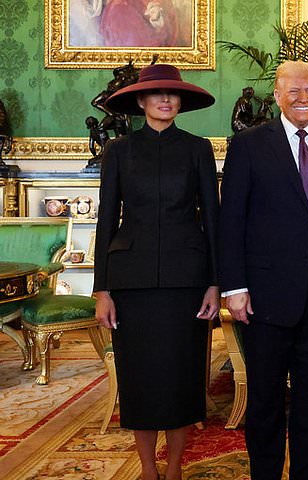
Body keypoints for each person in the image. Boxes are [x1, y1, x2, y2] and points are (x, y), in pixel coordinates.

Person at [218, 60, 308, 480]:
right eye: (294, 91)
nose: (304, 98)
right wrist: (235, 286)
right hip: (265, 297)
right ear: (278, 95)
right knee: (264, 403)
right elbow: (233, 221)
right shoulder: (248, 145)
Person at [92, 63, 219, 480]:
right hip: (132, 282)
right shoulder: (119, 151)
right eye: (157, 94)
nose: (166, 100)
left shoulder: (198, 149)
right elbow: (106, 220)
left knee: (182, 379)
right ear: (141, 101)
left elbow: (212, 220)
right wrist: (102, 290)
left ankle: (177, 466)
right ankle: (148, 469)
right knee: (141, 381)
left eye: (173, 94)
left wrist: (215, 283)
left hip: (187, 280)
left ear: (181, 102)